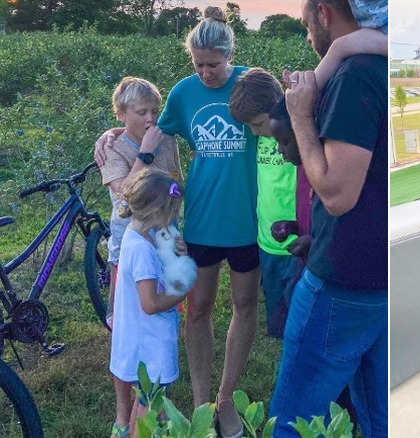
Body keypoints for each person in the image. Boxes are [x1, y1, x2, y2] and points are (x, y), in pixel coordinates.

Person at [95, 7, 259, 438]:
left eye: (213, 64)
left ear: (230, 54)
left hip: (249, 218)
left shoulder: (251, 86)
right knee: (198, 308)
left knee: (245, 306)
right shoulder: (185, 93)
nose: (205, 72)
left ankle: (226, 399)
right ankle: (202, 402)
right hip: (202, 217)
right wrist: (113, 135)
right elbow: (153, 130)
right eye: (198, 65)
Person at [268, 0, 388, 436]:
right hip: (383, 278)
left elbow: (338, 194)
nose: (306, 36)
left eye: (304, 25)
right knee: (379, 418)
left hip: (344, 282)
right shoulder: (383, 64)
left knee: (292, 421)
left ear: (323, 13)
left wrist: (301, 114)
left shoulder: (355, 74)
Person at [99, 76, 182, 438]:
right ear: (121, 114)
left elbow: (176, 182)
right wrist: (145, 153)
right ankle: (125, 413)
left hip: (164, 234)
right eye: (141, 111)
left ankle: (148, 407)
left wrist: (178, 225)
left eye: (155, 110)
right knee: (126, 327)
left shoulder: (165, 139)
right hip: (130, 244)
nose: (151, 117)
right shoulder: (111, 148)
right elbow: (123, 201)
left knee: (155, 318)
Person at [109, 169, 188, 438]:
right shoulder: (142, 250)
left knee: (146, 399)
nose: (175, 217)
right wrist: (181, 294)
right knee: (151, 405)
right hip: (150, 344)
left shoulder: (138, 237)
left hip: (141, 341)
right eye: (173, 211)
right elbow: (151, 303)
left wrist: (178, 253)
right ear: (157, 211)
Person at [228, 68, 301, 338]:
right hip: (268, 244)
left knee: (304, 323)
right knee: (282, 327)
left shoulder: (298, 132)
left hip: (299, 245)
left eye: (258, 124)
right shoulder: (257, 134)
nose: (254, 132)